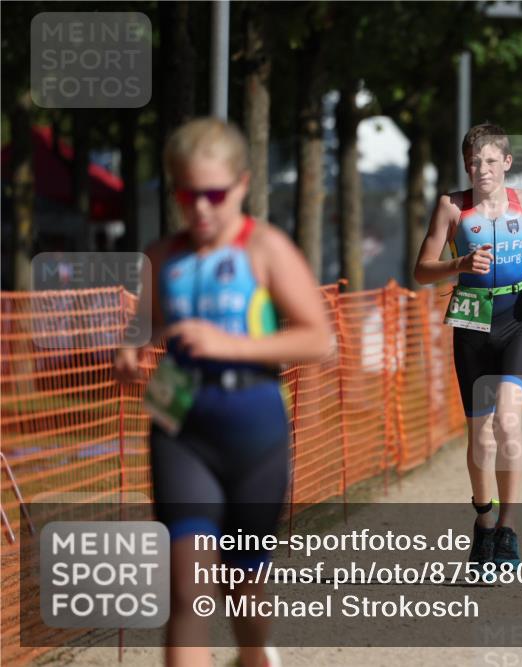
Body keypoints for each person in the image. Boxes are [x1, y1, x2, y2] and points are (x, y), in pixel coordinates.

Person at [114, 118, 330, 667]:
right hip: (181, 425)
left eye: (214, 194)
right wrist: (131, 345)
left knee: (242, 587)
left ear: (242, 185)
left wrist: (229, 344)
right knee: (187, 590)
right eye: (188, 194)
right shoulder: (162, 255)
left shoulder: (265, 247)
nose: (201, 208)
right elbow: (148, 322)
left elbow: (319, 338)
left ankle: (254, 654)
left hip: (253, 428)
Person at [413, 122, 522, 573]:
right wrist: (459, 263)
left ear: (507, 163)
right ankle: (484, 521)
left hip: (517, 318)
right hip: (472, 320)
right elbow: (422, 270)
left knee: (508, 424)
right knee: (480, 433)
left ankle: (508, 529)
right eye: (474, 162)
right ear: (466, 165)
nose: (483, 169)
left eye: (491, 161)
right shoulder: (451, 208)